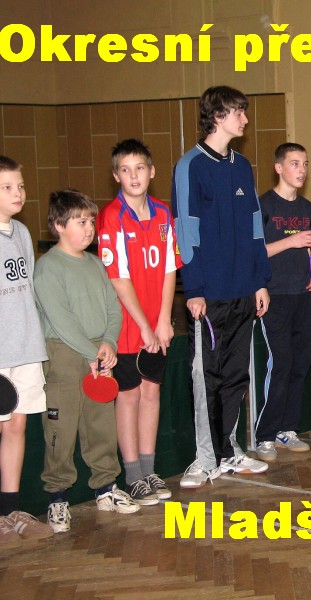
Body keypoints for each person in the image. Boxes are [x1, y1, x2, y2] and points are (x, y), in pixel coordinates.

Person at [172, 86, 272, 487]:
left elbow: (254, 227)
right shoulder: (190, 166)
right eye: (238, 112)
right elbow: (185, 231)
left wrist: (259, 281)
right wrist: (193, 288)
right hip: (208, 294)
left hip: (243, 290)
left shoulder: (242, 166)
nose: (245, 119)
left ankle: (228, 450)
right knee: (207, 376)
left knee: (235, 376)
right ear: (217, 116)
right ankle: (205, 457)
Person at [35, 189, 138, 534]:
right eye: (81, 222)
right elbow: (61, 320)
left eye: (91, 221)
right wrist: (90, 352)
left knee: (101, 426)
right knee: (60, 429)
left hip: (98, 352)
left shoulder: (96, 264)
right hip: (64, 353)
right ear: (59, 225)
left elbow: (113, 308)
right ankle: (57, 498)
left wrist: (108, 342)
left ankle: (105, 488)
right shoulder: (48, 267)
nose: (90, 228)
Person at [96, 140, 180, 506]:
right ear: (116, 175)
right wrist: (144, 325)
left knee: (151, 393)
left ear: (152, 171)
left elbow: (170, 268)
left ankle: (149, 470)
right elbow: (118, 277)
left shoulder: (163, 213)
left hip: (155, 324)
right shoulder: (111, 217)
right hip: (127, 325)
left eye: (140, 168)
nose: (134, 176)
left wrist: (163, 319)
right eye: (125, 170)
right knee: (128, 396)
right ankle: (132, 476)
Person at [254, 143, 311, 460]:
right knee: (280, 362)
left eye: (305, 164)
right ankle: (264, 435)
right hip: (276, 295)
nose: (302, 170)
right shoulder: (262, 206)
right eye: (295, 163)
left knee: (300, 362)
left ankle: (287, 428)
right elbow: (255, 252)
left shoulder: (308, 209)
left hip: (303, 294)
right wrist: (291, 241)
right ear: (279, 168)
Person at [0, 156, 53, 547]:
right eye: (7, 187)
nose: (17, 193)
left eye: (20, 186)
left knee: (16, 427)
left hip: (26, 348)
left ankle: (11, 510)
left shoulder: (19, 231)